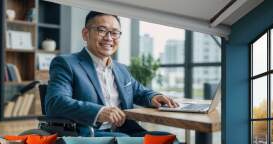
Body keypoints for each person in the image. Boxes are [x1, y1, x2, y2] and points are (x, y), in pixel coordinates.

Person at [45, 11, 179, 137]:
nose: (109, 38)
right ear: (86, 34)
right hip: (91, 134)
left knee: (169, 140)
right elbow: (55, 103)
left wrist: (154, 96)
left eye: (114, 33)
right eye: (102, 30)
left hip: (126, 131)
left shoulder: (121, 69)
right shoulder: (66, 63)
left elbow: (140, 91)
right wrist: (99, 112)